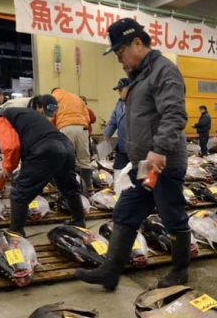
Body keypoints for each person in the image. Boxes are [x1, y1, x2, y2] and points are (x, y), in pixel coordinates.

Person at [76, 17, 190, 291]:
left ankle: (179, 271)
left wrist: (160, 149)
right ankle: (110, 270)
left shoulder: (164, 71)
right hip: (143, 164)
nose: (118, 59)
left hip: (163, 162)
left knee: (172, 215)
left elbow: (175, 114)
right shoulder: (139, 77)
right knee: (125, 211)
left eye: (119, 52)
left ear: (137, 43)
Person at [0, 99, 84, 236]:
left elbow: (11, 146)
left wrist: (7, 168)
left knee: (19, 193)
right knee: (69, 187)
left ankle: (16, 231)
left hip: (45, 149)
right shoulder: (26, 114)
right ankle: (79, 221)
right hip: (66, 147)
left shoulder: (2, 117)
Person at [50, 87, 92, 193]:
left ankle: (69, 189)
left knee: (67, 159)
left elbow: (51, 117)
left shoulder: (54, 97)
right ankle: (88, 187)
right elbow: (88, 117)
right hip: (82, 128)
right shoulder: (76, 97)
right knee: (84, 159)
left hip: (65, 128)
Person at [104, 78, 130, 170]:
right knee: (118, 170)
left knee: (135, 175)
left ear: (129, 88)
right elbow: (113, 120)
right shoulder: (119, 103)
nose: (119, 92)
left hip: (135, 147)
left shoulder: (137, 103)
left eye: (121, 90)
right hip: (122, 145)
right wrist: (107, 134)